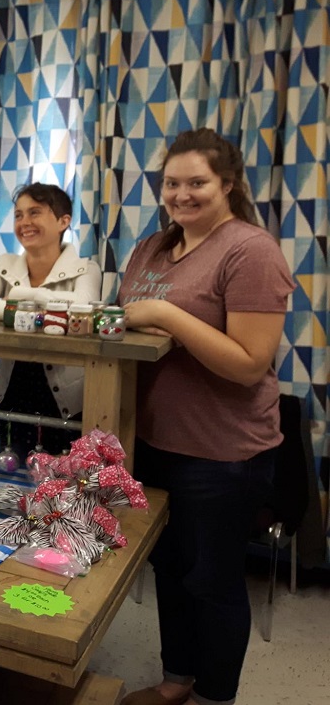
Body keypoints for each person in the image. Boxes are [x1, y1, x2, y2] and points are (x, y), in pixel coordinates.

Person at [116, 128, 294, 705]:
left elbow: (248, 364)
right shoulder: (151, 248)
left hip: (223, 452)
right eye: (171, 183)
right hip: (154, 440)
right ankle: (176, 681)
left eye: (197, 183)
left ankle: (214, 698)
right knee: (168, 569)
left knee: (212, 582)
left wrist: (167, 313)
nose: (181, 194)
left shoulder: (250, 250)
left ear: (228, 185)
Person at [0, 183, 101, 456]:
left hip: (65, 401)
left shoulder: (87, 268)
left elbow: (81, 310)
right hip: (14, 392)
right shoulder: (2, 264)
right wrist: (45, 310)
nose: (24, 222)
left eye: (34, 212)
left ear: (64, 221)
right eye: (18, 215)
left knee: (63, 483)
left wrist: (20, 297)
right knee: (12, 478)